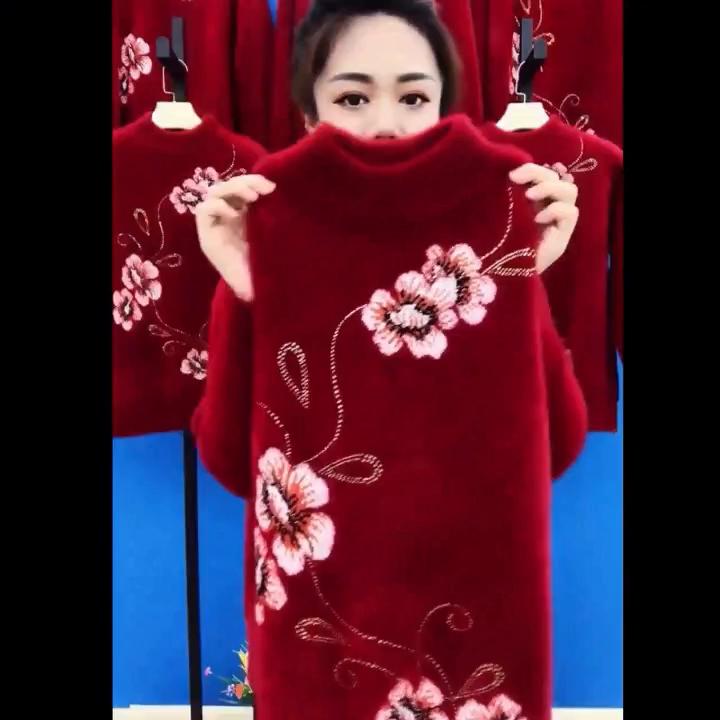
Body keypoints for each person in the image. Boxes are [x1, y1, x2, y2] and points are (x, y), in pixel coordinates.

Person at [194, 0, 579, 300]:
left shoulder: (482, 245)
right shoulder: (277, 250)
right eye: (352, 99)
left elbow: (516, 379)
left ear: (442, 114)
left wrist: (519, 277)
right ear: (310, 118)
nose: (385, 126)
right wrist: (251, 288)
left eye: (413, 98)